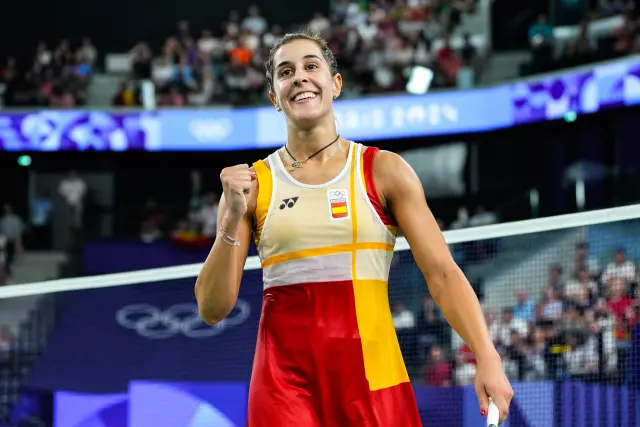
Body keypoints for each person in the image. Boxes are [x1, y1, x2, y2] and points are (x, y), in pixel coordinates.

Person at [195, 30, 513, 427]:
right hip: (283, 385)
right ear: (275, 97)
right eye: (286, 72)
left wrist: (487, 356)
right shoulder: (251, 185)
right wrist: (230, 218)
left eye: (312, 66)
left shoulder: (383, 171)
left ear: (336, 83)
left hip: (372, 378)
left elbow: (443, 274)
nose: (300, 78)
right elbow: (212, 308)